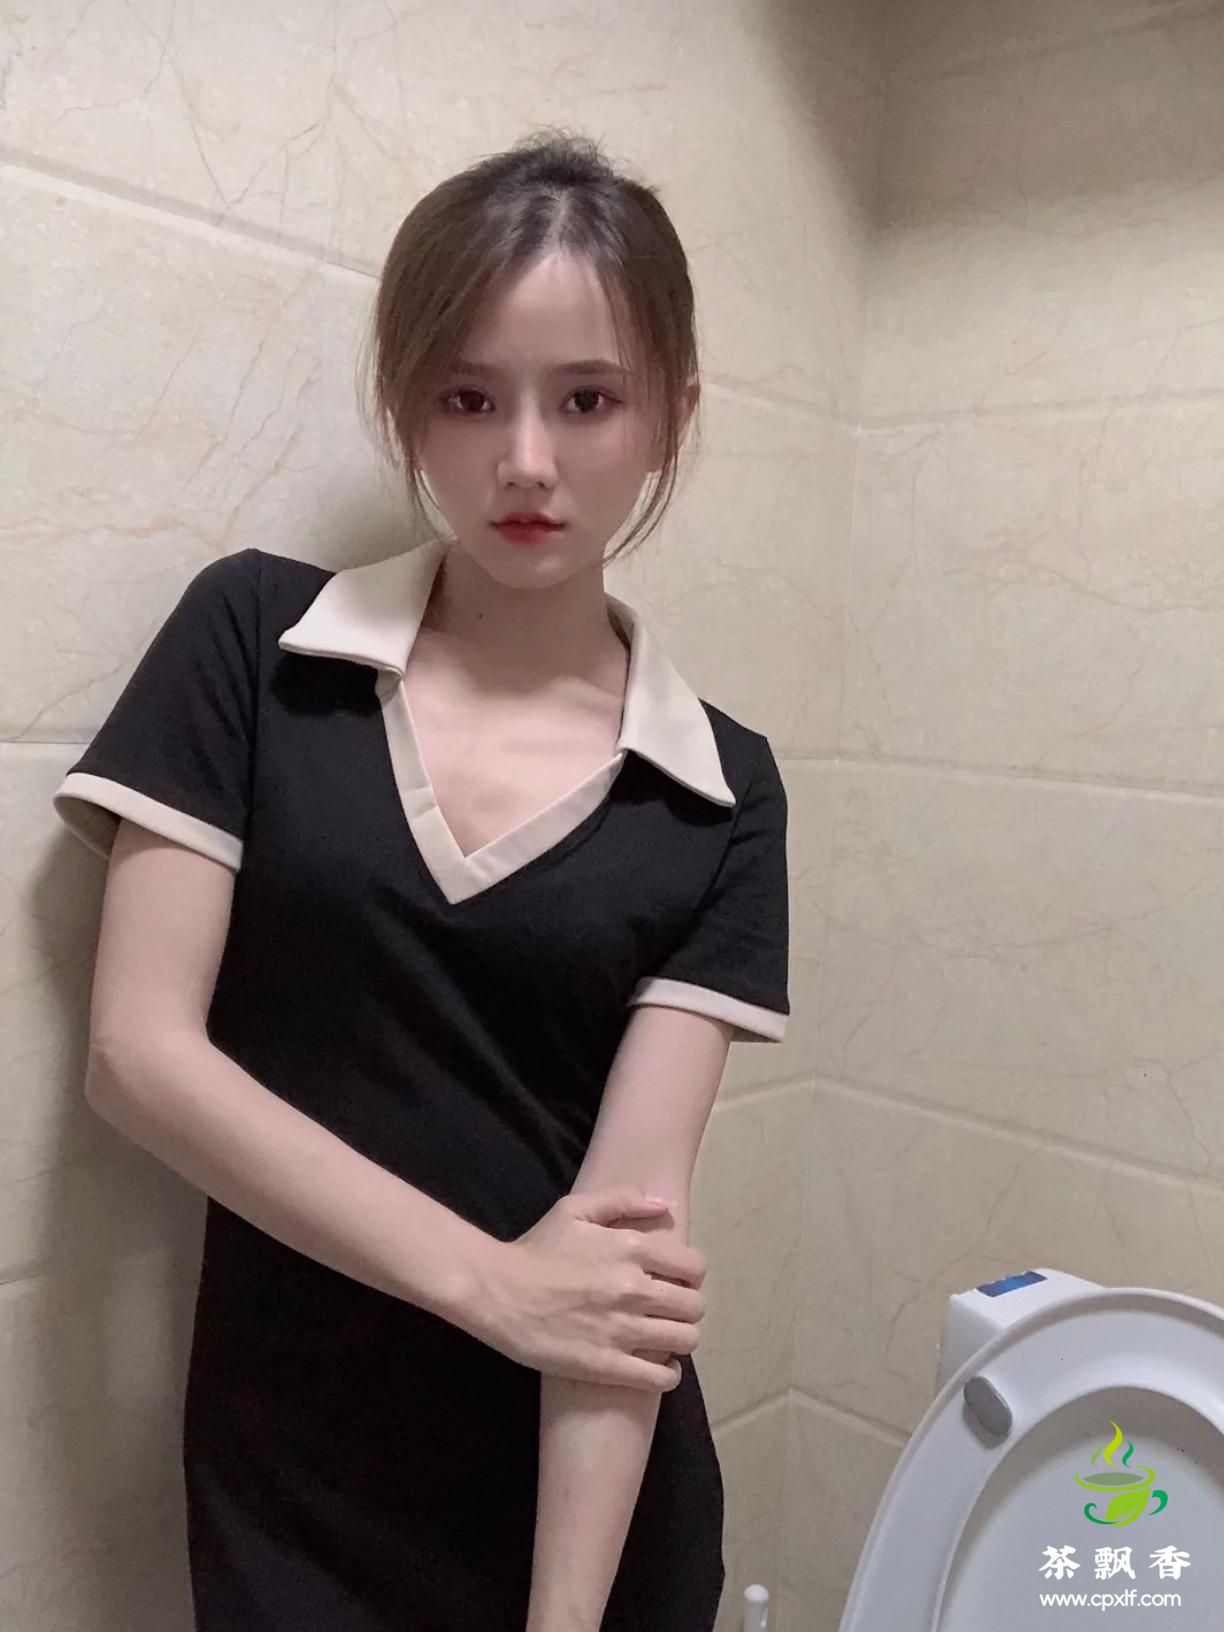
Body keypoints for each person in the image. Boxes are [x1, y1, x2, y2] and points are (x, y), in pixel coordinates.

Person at [52, 128, 790, 1632]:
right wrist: (493, 1285)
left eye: (587, 399)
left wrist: (563, 1621)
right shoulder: (259, 647)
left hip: (589, 1520)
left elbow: (622, 1270)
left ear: (671, 415)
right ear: (405, 404)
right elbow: (138, 1055)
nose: (526, 461)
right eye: (468, 397)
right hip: (291, 1480)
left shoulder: (720, 786)